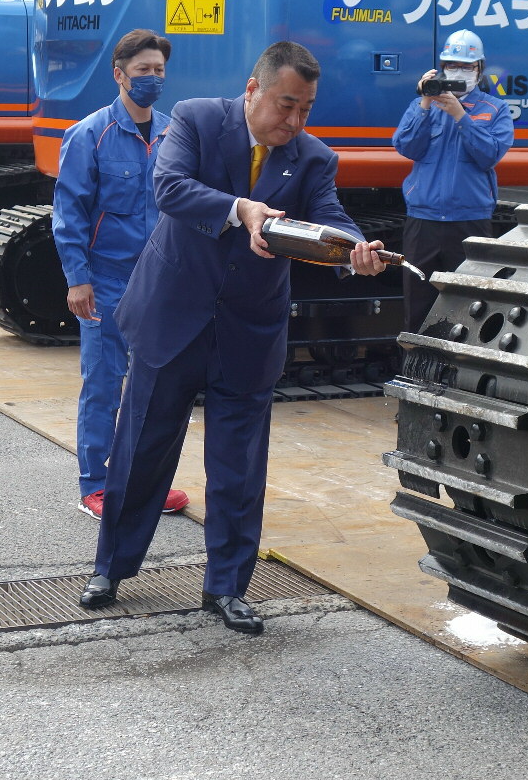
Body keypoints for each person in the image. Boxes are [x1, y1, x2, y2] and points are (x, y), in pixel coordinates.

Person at [78, 41, 387, 633]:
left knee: (239, 468)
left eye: (306, 109)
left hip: (248, 330)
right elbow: (169, 188)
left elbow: (329, 217)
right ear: (252, 90)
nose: (295, 121)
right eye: (286, 105)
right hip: (173, 319)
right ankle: (110, 568)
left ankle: (227, 587)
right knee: (142, 450)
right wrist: (241, 209)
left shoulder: (313, 157)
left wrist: (355, 250)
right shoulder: (196, 119)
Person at [52, 30, 190, 522]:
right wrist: (77, 278)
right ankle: (96, 483)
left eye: (159, 71)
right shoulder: (89, 134)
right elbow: (69, 213)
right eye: (142, 70)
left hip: (159, 281)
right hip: (106, 281)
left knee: (155, 387)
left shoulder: (174, 136)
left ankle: (144, 481)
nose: (152, 78)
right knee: (104, 383)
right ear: (119, 74)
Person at [391, 29, 514, 330]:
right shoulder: (424, 106)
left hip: (469, 221)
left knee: (469, 308)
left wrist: (461, 117)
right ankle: (416, 359)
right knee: (418, 306)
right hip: (423, 221)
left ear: (479, 69)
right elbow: (406, 146)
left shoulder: (495, 109)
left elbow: (489, 155)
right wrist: (424, 101)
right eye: (451, 65)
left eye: (466, 66)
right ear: (441, 67)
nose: (458, 72)